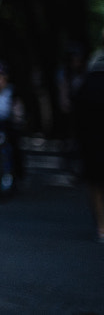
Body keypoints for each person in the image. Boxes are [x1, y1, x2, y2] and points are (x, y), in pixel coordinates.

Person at [72, 28, 104, 243]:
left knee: (96, 183)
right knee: (96, 182)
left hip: (92, 138)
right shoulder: (93, 69)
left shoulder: (91, 69)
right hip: (94, 136)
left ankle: (102, 227)